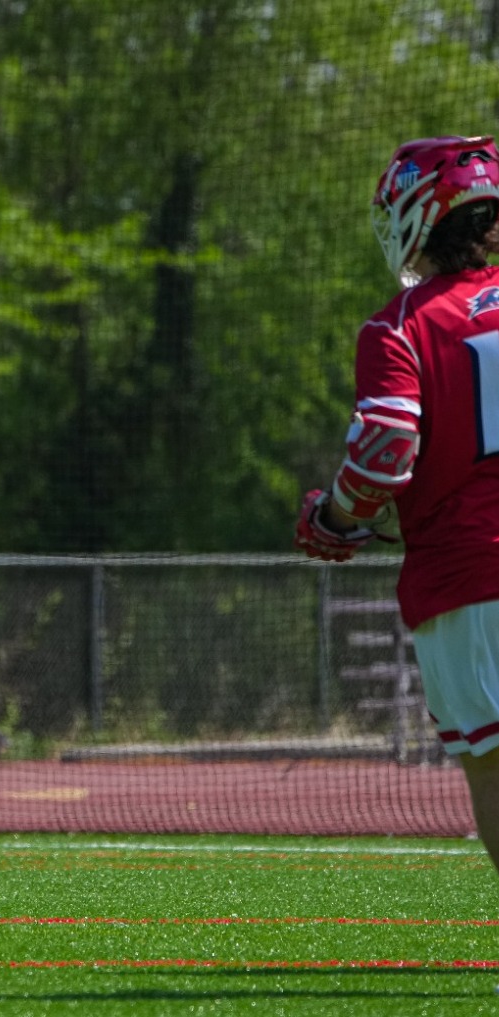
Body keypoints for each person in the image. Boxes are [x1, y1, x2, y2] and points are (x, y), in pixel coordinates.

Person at [295, 135, 499, 873]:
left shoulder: (399, 324)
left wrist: (335, 517)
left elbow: (385, 448)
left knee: (492, 763)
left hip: (472, 575)